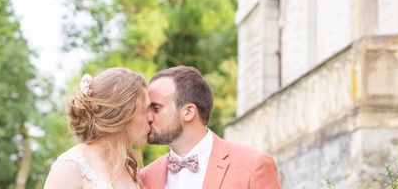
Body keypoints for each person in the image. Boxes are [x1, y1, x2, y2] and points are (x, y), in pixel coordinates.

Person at [142, 66, 281, 189]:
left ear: (188, 112)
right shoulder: (144, 177)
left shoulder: (253, 165)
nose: (148, 117)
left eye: (156, 108)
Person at [43, 67, 150, 189]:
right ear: (123, 113)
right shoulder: (72, 165)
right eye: (145, 110)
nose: (151, 118)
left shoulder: (130, 168)